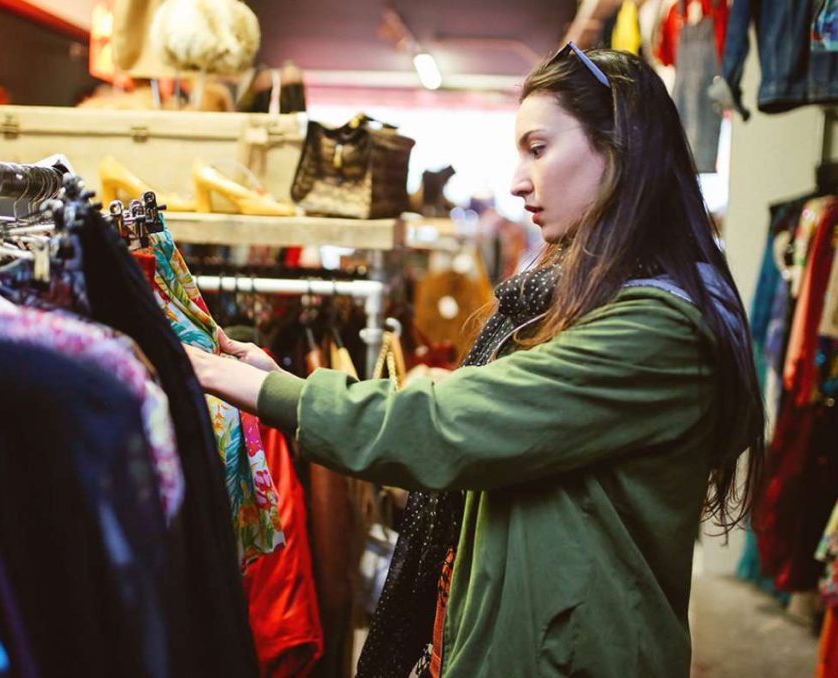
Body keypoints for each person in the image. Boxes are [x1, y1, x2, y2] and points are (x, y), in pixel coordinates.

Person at [185, 45, 765, 677]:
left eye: (538, 148)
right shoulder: (592, 298)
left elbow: (448, 425)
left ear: (618, 149)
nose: (518, 181)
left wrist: (262, 389)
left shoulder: (654, 329)